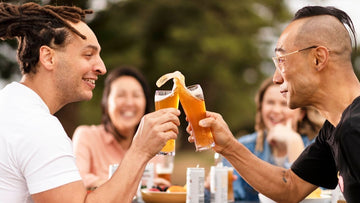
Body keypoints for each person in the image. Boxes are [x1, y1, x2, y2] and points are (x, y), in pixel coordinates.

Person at [0, 2, 180, 203]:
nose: (102, 68)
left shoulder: (12, 106)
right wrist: (140, 150)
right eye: (88, 55)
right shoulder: (37, 127)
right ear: (48, 58)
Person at [188, 6, 360, 202]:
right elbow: (291, 187)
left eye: (281, 61)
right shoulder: (334, 128)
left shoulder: (354, 127)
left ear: (318, 58)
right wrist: (228, 146)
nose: (276, 78)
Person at [222, 78, 324, 201]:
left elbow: (319, 197)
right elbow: (229, 198)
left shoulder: (320, 147)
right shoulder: (243, 146)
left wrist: (293, 142)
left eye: (284, 103)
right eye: (270, 102)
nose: (276, 110)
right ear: (261, 108)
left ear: (301, 113)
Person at [73, 66, 170, 189]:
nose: (129, 103)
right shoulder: (86, 136)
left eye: (136, 95)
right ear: (106, 103)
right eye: (121, 95)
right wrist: (134, 186)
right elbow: (78, 180)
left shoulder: (156, 144)